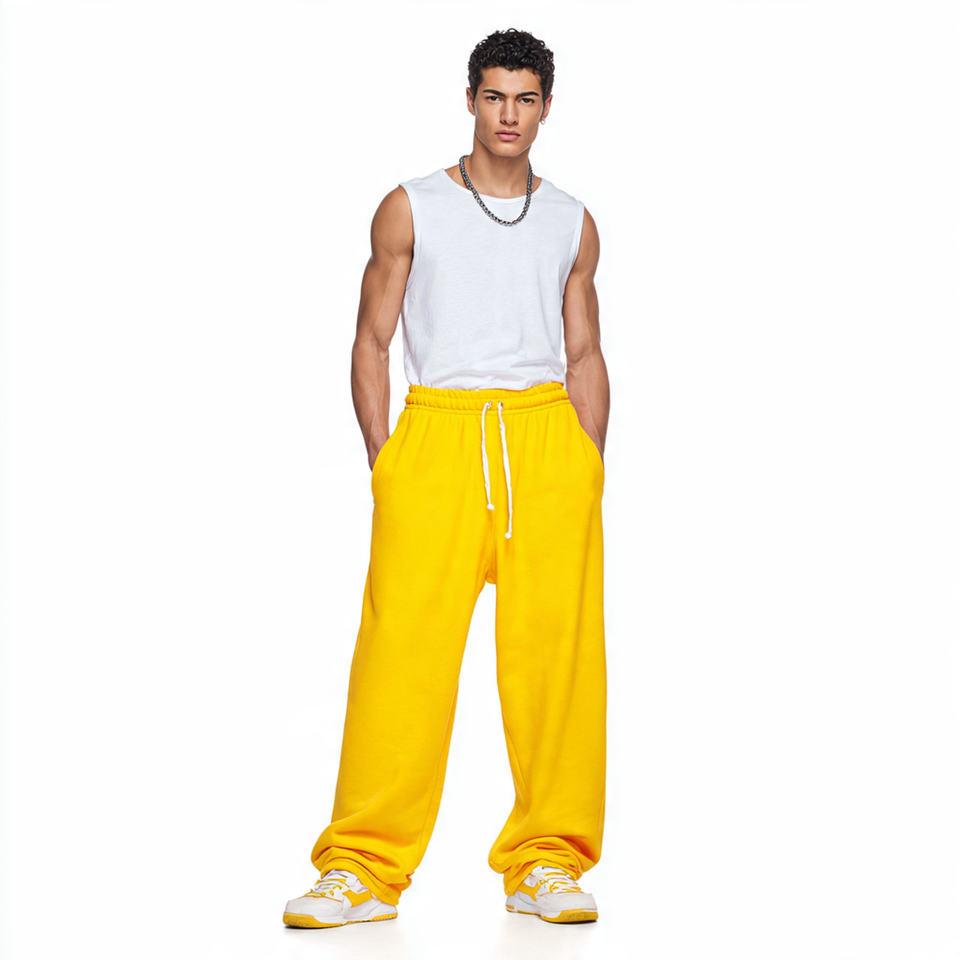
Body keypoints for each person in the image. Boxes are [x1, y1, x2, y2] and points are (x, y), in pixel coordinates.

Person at [283, 27, 609, 928]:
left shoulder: (572, 220)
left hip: (545, 437)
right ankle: (361, 868)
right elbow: (371, 340)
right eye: (495, 95)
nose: (509, 114)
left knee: (557, 661)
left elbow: (585, 349)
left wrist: (588, 465)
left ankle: (547, 861)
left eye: (526, 99)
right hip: (438, 433)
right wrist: (386, 458)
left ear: (546, 108)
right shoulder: (411, 207)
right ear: (471, 99)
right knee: (401, 658)